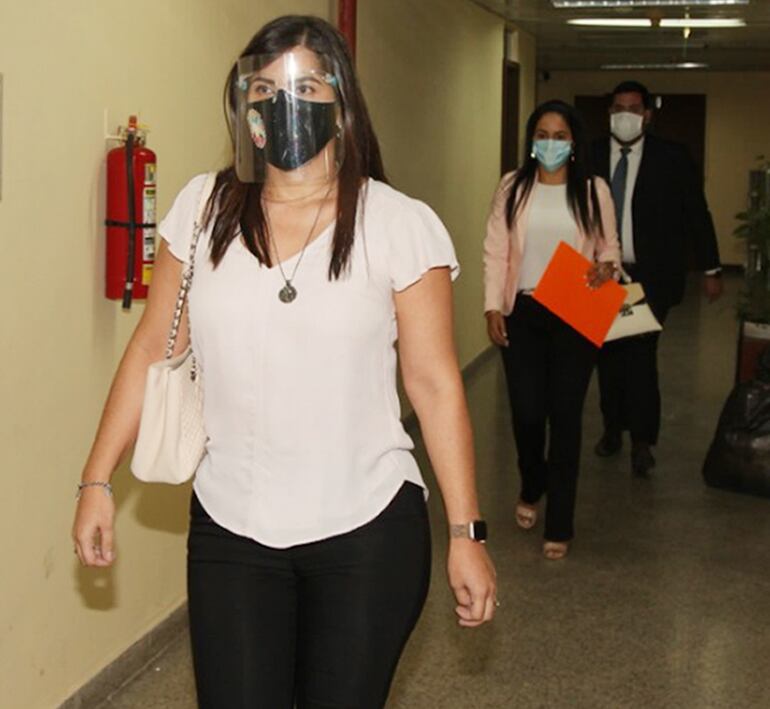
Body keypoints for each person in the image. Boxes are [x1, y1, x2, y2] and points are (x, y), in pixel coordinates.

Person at [72, 15, 496, 708]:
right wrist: (96, 480)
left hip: (366, 528)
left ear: (342, 103)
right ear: (245, 107)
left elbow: (435, 383)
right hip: (232, 527)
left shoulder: (397, 223)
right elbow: (153, 345)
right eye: (263, 88)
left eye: (305, 86)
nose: (282, 102)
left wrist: (464, 532)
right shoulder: (203, 210)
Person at [483, 100, 621, 560]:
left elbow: (609, 247)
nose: (550, 143)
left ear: (574, 142)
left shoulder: (593, 189)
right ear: (531, 140)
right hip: (523, 310)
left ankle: (560, 522)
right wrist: (492, 306)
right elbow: (496, 250)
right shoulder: (513, 186)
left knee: (565, 418)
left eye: (560, 136)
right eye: (542, 134)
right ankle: (532, 481)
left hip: (574, 307)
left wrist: (607, 267)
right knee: (526, 412)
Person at [592, 81, 723, 477]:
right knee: (608, 357)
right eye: (618, 108)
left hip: (650, 276)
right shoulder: (590, 155)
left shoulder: (672, 157)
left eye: (634, 108)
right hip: (600, 275)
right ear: (609, 113)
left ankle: (642, 441)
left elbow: (696, 213)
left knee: (640, 356)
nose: (625, 115)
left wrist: (711, 268)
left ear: (647, 115)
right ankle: (612, 428)